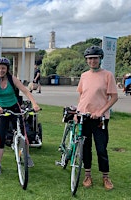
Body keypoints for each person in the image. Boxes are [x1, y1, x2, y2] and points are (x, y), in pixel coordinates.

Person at [77, 46, 118, 191]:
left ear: (100, 58)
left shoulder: (108, 75)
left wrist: (101, 111)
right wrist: (78, 112)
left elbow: (114, 97)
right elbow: (82, 96)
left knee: (101, 148)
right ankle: (87, 175)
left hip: (100, 119)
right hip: (85, 117)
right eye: (89, 58)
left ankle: (105, 177)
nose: (92, 61)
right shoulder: (83, 76)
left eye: (95, 58)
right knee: (85, 147)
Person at [0, 57, 40, 175]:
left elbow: (25, 91)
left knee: (23, 133)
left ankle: (27, 156)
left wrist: (34, 103)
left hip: (15, 107)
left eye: (3, 68)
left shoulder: (12, 79)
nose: (1, 70)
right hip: (2, 110)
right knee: (1, 137)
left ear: (7, 69)